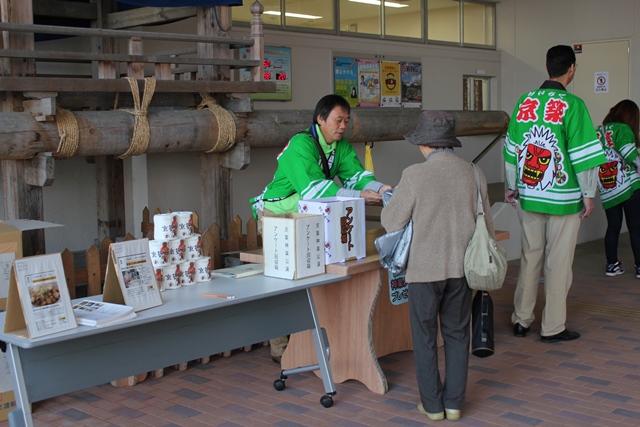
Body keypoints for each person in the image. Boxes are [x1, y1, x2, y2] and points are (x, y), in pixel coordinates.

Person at [250, 94, 392, 363]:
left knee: (311, 277)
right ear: (320, 119)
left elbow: (357, 176)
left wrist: (381, 189)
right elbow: (314, 189)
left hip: (307, 215)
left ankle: (307, 342)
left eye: (346, 121)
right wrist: (359, 196)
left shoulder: (340, 146)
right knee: (283, 281)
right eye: (338, 120)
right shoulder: (300, 145)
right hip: (277, 216)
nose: (342, 126)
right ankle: (281, 349)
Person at [381, 110, 494, 421]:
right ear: (449, 144)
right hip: (463, 270)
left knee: (425, 335)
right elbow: (489, 225)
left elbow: (392, 221)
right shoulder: (473, 172)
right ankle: (455, 403)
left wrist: (390, 199)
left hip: (423, 271)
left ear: (424, 144)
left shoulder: (415, 175)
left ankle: (432, 406)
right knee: (458, 334)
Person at [504, 45, 607, 343]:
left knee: (529, 257)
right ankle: (552, 327)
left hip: (529, 194)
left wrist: (512, 186)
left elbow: (512, 151)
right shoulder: (573, 105)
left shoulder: (525, 102)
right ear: (571, 69)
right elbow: (583, 155)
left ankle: (521, 320)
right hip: (564, 198)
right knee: (558, 262)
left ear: (547, 67)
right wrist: (589, 194)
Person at [595, 100, 640, 277]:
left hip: (608, 186)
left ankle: (612, 265)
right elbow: (629, 153)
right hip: (629, 186)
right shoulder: (624, 129)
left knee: (613, 226)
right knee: (636, 227)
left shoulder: (599, 131)